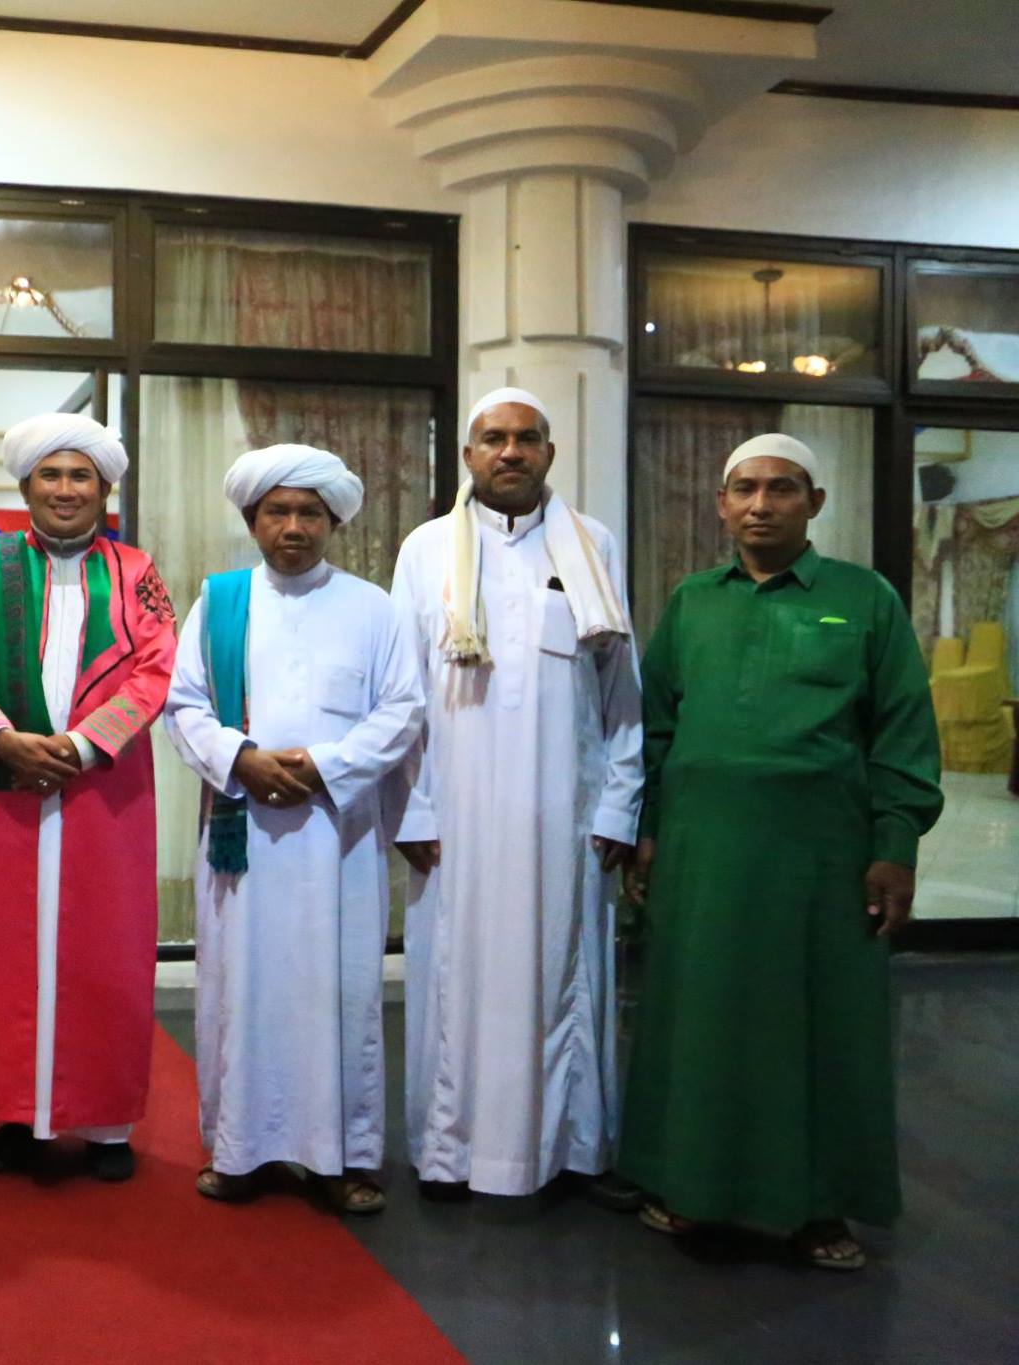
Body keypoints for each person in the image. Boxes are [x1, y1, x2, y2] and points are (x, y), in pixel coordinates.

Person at [619, 433, 942, 1272]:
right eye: (745, 489)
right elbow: (654, 729)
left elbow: (903, 729)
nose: (761, 504)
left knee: (819, 1029)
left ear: (815, 504)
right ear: (721, 505)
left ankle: (816, 1205)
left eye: (782, 489)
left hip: (819, 859)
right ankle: (686, 1186)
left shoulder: (863, 600)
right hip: (699, 852)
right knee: (699, 1020)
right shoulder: (694, 601)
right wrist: (648, 830)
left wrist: (894, 841)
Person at [387, 387, 643, 1202]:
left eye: (527, 438)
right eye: (492, 439)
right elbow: (402, 694)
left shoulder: (591, 545)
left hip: (563, 817)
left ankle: (566, 1149)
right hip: (456, 817)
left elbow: (621, 693)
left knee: (563, 971)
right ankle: (449, 1151)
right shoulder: (427, 550)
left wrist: (618, 806)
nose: (510, 452)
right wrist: (413, 806)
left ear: (549, 453)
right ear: (468, 456)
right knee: (454, 976)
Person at [165, 445, 423, 1212]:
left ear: (333, 521)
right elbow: (184, 705)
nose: (294, 526)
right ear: (252, 521)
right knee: (241, 991)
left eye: (310, 512)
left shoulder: (375, 608)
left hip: (334, 837)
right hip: (244, 832)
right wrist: (241, 759)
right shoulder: (220, 602)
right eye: (277, 511)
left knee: (339, 994)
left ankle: (343, 1157)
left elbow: (403, 709)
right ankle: (241, 1149)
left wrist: (324, 765)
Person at [0, 412, 176, 1182]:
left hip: (103, 788)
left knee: (104, 947)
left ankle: (105, 1120)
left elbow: (155, 669)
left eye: (82, 475)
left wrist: (80, 746)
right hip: (3, 784)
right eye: (52, 474)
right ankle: (12, 1114)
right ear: (25, 484)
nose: (67, 489)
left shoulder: (138, 569)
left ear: (105, 488)